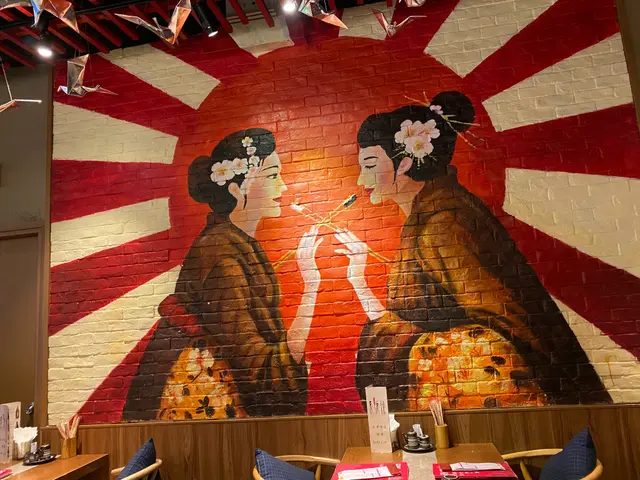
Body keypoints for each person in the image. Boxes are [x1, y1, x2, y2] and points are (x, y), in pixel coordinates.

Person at [335, 92, 611, 411]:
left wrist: (392, 338)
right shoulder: (429, 218)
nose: (361, 179)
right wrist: (359, 282)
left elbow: (498, 338)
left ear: (406, 162)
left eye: (370, 165)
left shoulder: (444, 224)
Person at [123, 129, 322, 420]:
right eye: (272, 176)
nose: (284, 186)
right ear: (236, 191)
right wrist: (311, 287)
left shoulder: (235, 243)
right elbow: (255, 363)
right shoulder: (221, 256)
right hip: (199, 404)